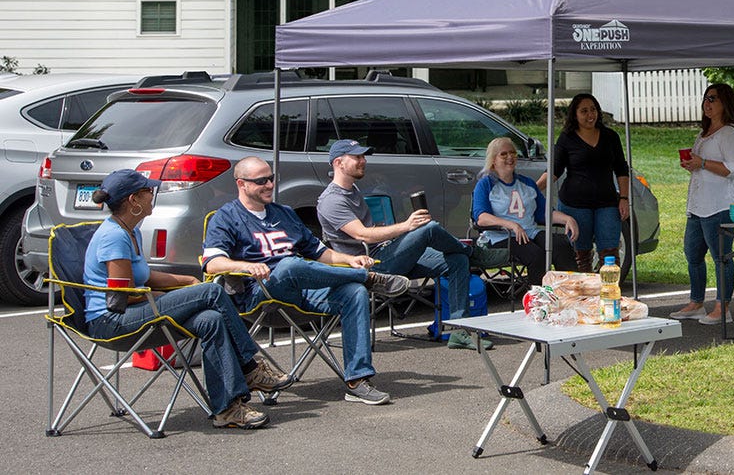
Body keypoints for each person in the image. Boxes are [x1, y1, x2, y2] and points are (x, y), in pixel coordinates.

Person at [83, 169, 293, 430]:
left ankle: (227, 408)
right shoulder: (113, 236)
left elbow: (145, 277)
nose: (153, 195)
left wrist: (188, 283)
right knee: (212, 292)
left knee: (211, 319)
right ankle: (250, 366)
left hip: (133, 311)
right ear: (133, 200)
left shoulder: (130, 231)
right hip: (112, 322)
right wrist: (178, 297)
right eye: (149, 191)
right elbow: (121, 298)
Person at [203, 156, 411, 406]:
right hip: (259, 295)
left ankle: (358, 380)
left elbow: (321, 253)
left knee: (353, 292)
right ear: (242, 184)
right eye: (261, 181)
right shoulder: (226, 217)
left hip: (301, 293)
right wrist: (246, 266)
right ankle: (368, 279)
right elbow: (212, 263)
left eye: (271, 178)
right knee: (290, 265)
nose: (269, 185)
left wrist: (349, 260)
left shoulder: (285, 214)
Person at [317, 139, 499, 350]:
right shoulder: (332, 200)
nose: (363, 161)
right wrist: (406, 226)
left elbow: (368, 230)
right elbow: (363, 235)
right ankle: (473, 252)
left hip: (386, 252)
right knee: (428, 229)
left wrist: (394, 231)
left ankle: (459, 330)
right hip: (371, 266)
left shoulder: (352, 190)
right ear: (338, 162)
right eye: (357, 157)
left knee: (457, 260)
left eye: (363, 156)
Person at [669, 83, 734, 325]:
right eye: (705, 99)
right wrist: (693, 164)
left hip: (719, 205)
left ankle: (723, 307)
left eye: (713, 99)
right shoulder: (704, 133)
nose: (707, 103)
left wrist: (701, 163)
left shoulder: (730, 133)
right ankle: (696, 302)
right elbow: (702, 164)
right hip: (698, 205)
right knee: (693, 254)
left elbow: (733, 169)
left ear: (725, 103)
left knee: (721, 256)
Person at [536, 93, 631, 272]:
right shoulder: (567, 138)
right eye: (584, 111)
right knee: (581, 256)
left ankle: (609, 295)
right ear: (575, 115)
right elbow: (555, 170)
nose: (590, 115)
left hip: (607, 203)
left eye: (593, 110)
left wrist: (624, 198)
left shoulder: (610, 136)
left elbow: (621, 168)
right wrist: (532, 189)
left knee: (610, 255)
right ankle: (585, 297)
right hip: (575, 205)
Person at [472, 137, 579, 287]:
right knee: (536, 255)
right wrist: (511, 225)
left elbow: (544, 213)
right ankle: (537, 300)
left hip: (530, 233)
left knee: (561, 245)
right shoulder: (486, 184)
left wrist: (568, 219)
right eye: (503, 154)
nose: (510, 157)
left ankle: (571, 293)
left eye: (513, 153)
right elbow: (481, 218)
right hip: (502, 237)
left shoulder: (527, 183)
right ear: (493, 160)